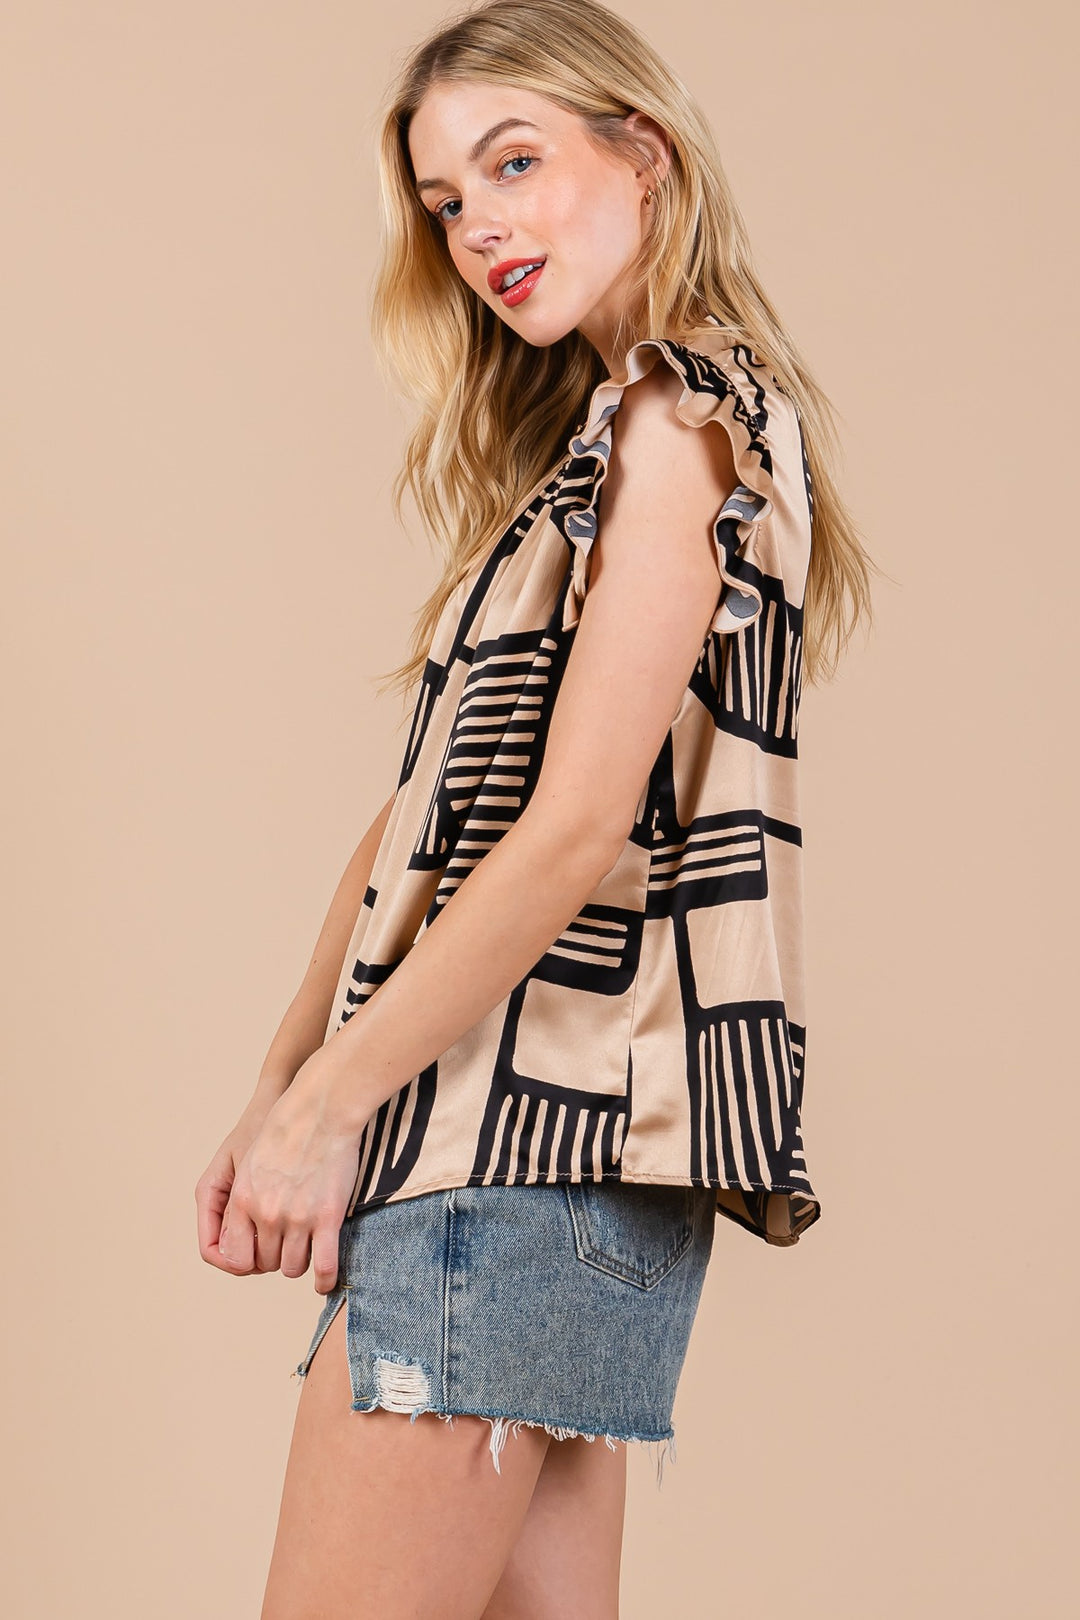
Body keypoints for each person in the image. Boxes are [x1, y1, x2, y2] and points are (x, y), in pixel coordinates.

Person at [194, 2, 876, 1614]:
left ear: (645, 153)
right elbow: (424, 815)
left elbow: (572, 831)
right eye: (446, 202)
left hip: (500, 1159)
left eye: (514, 163)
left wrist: (328, 1105)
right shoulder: (626, 436)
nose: (479, 227)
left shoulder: (675, 418)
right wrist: (284, 1079)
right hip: (573, 1168)